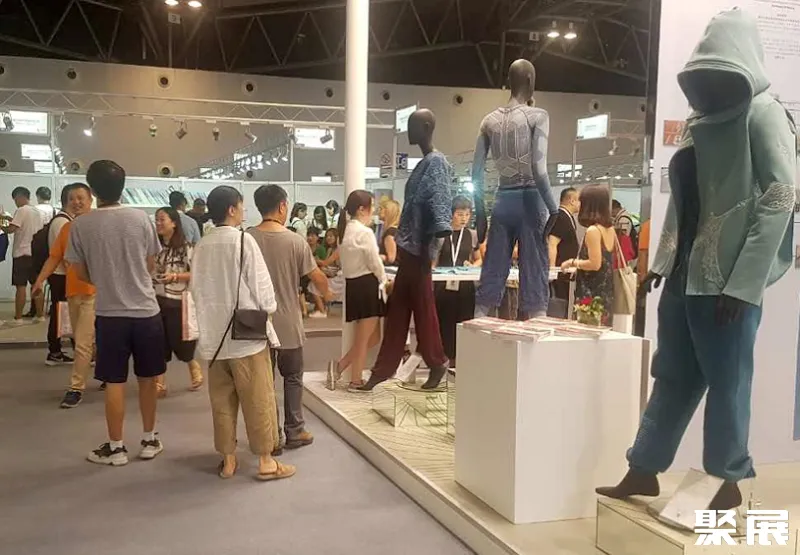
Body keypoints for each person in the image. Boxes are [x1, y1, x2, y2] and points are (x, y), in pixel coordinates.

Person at [66, 160, 166, 466]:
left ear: (93, 191)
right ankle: (149, 440)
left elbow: (79, 272)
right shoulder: (141, 219)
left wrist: (105, 280)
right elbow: (151, 264)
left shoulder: (81, 225)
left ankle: (116, 447)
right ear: (123, 186)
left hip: (110, 315)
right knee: (148, 379)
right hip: (147, 312)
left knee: (114, 381)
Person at [191, 185, 294, 480]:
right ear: (231, 209)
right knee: (258, 399)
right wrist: (269, 309)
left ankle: (228, 460)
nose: (243, 210)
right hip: (246, 337)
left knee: (222, 403)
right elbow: (263, 293)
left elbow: (196, 290)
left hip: (214, 339)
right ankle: (266, 462)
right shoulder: (242, 241)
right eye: (241, 205)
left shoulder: (202, 245)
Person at [361, 109, 452, 391]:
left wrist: (437, 235)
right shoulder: (427, 162)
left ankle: (435, 361)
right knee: (400, 309)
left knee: (421, 309)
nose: (408, 131)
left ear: (425, 126)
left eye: (412, 125)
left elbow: (439, 199)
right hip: (412, 247)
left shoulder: (436, 162)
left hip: (420, 248)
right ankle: (385, 369)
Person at [249, 185, 332, 452]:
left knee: (263, 382)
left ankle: (270, 437)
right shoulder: (296, 241)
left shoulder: (246, 238)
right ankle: (295, 430)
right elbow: (317, 277)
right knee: (293, 377)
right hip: (287, 322)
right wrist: (328, 294)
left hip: (254, 322)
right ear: (282, 206)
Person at [33, 184, 96, 408]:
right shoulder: (68, 228)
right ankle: (108, 375)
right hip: (73, 291)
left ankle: (76, 388)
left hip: (96, 293)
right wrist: (39, 280)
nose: (76, 202)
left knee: (83, 342)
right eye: (72, 199)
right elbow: (54, 257)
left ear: (90, 200)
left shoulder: (98, 227)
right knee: (83, 339)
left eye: (80, 198)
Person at [328, 190, 386, 391]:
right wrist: (384, 279)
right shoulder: (364, 232)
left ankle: (340, 366)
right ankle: (354, 379)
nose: (374, 210)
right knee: (364, 338)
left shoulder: (344, 232)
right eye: (372, 206)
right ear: (362, 209)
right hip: (367, 285)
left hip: (353, 285)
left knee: (372, 336)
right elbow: (374, 261)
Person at [153, 207, 203, 396]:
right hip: (156, 299)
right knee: (158, 342)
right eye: (156, 220)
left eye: (162, 219)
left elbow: (196, 273)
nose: (158, 223)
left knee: (181, 341)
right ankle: (159, 382)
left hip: (178, 301)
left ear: (174, 223)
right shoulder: (154, 247)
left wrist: (174, 276)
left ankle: (193, 367)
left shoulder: (186, 248)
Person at [434, 196, 481, 366]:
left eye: (467, 215)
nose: (464, 218)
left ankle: (461, 360)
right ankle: (443, 359)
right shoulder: (442, 234)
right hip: (443, 285)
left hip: (465, 285)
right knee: (444, 322)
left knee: (464, 322)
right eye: (460, 214)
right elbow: (434, 262)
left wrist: (472, 265)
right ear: (451, 214)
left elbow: (479, 258)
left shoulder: (471, 235)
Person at [560, 184, 616, 326]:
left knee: (586, 329)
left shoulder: (593, 231)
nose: (579, 204)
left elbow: (595, 264)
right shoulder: (609, 229)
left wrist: (572, 262)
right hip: (606, 292)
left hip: (591, 294)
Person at [42, 185, 76, 365]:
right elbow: (65, 253)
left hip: (60, 274)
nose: (78, 202)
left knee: (62, 313)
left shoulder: (62, 220)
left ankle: (58, 350)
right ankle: (55, 350)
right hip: (62, 275)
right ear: (67, 200)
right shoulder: (62, 222)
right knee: (61, 313)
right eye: (74, 198)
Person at [1, 187, 45, 324]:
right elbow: (22, 224)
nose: (15, 203)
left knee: (20, 286)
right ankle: (40, 316)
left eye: (15, 200)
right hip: (35, 254)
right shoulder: (36, 211)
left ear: (19, 197)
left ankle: (18, 318)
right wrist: (8, 218)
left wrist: (1, 225)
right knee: (36, 285)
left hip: (21, 253)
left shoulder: (21, 210)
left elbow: (11, 229)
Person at [548, 187, 580, 303]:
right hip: (559, 271)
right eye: (579, 200)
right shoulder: (560, 217)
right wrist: (552, 270)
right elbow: (552, 244)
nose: (580, 204)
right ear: (572, 200)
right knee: (559, 302)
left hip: (565, 271)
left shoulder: (567, 217)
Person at [305, 227, 328, 317]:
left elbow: (324, 263)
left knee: (316, 283)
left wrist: (316, 261)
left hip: (318, 272)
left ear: (317, 237)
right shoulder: (305, 247)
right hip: (306, 273)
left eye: (312, 236)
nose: (310, 238)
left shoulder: (321, 249)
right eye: (308, 235)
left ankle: (321, 308)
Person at [612, 199, 637, 264]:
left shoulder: (623, 218)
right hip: (627, 251)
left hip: (626, 252)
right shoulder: (622, 217)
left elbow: (623, 235)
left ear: (615, 209)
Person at [378, 199, 400, 265]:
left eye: (381, 209)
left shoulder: (390, 233)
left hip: (391, 269)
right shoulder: (396, 230)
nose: (378, 211)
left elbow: (391, 258)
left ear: (387, 211)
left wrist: (376, 256)